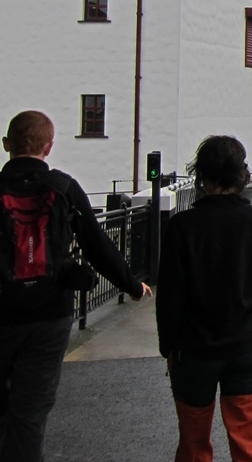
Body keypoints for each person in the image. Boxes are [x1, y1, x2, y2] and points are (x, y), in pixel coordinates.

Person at [0, 110, 152, 462]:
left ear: (7, 145)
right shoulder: (63, 188)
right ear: (49, 147)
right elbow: (97, 245)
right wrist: (131, 283)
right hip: (49, 314)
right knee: (31, 411)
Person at [156, 135, 252, 462]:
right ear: (241, 174)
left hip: (195, 349)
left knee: (193, 444)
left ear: (202, 175)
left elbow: (170, 296)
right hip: (248, 344)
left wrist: (169, 346)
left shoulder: (182, 227)